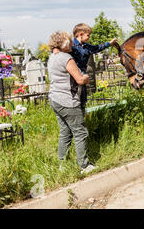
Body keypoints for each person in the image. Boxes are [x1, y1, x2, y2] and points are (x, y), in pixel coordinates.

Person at [47, 31, 96, 174]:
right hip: (68, 101)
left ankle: (63, 165)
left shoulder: (52, 57)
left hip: (55, 99)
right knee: (80, 132)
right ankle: (84, 166)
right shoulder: (66, 58)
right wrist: (86, 77)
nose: (72, 43)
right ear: (64, 43)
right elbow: (80, 80)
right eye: (70, 41)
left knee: (65, 132)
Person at [70, 23, 117, 108]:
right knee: (74, 101)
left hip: (83, 76)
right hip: (73, 79)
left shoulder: (86, 46)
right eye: (88, 35)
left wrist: (109, 43)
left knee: (83, 101)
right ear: (81, 34)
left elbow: (97, 48)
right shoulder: (71, 46)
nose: (89, 37)